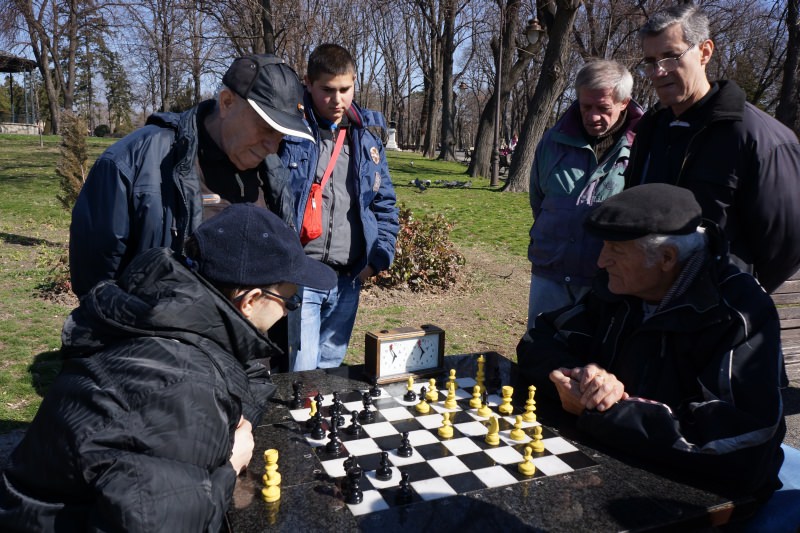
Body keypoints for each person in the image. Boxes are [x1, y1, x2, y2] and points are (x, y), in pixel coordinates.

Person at [0, 204, 336, 531]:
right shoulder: (181, 384)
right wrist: (229, 466)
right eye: (288, 300)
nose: (289, 311)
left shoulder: (165, 315)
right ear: (249, 301)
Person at [517, 183, 785, 502]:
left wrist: (609, 410)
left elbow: (745, 443)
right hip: (610, 465)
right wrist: (579, 377)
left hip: (700, 500)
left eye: (615, 250)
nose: (601, 261)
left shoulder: (737, 313)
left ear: (667, 258)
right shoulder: (619, 290)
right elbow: (537, 340)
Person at [69, 53, 315, 298]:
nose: (273, 147)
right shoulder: (133, 162)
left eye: (281, 134)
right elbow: (96, 289)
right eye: (266, 128)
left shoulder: (273, 173)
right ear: (227, 102)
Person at [625, 3, 800, 294]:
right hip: (649, 302)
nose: (658, 71)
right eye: (650, 61)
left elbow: (789, 240)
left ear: (705, 51)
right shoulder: (650, 128)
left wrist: (733, 290)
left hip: (716, 314)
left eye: (671, 56)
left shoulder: (758, 136)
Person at [279, 44, 399, 371]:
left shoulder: (369, 132)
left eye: (345, 89)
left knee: (331, 373)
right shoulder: (289, 128)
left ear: (355, 83)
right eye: (327, 91)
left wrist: (377, 260)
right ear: (308, 84)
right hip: (303, 274)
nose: (338, 100)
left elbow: (385, 203)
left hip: (350, 277)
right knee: (301, 374)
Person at [527, 59, 643, 328]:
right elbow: (538, 199)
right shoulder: (552, 141)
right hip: (551, 271)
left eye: (603, 108)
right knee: (540, 354)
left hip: (608, 279)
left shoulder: (643, 144)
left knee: (595, 363)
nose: (592, 116)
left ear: (624, 102)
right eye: (585, 106)